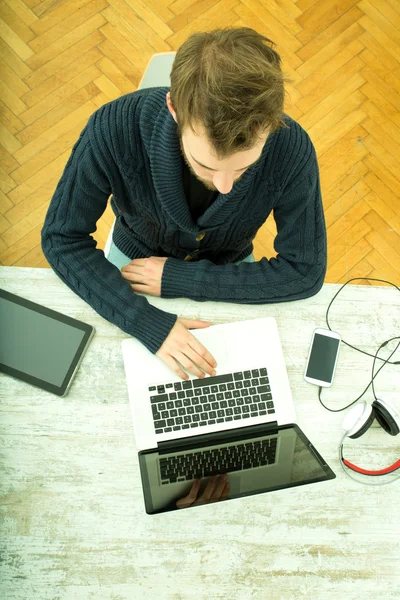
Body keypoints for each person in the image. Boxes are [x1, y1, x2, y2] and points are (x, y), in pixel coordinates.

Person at [41, 27, 327, 382]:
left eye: (244, 167)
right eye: (206, 165)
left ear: (272, 123)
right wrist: (146, 323)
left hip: (230, 268)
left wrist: (181, 278)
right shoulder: (112, 128)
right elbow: (61, 238)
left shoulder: (292, 148)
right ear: (174, 108)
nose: (225, 186)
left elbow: (305, 271)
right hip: (133, 264)